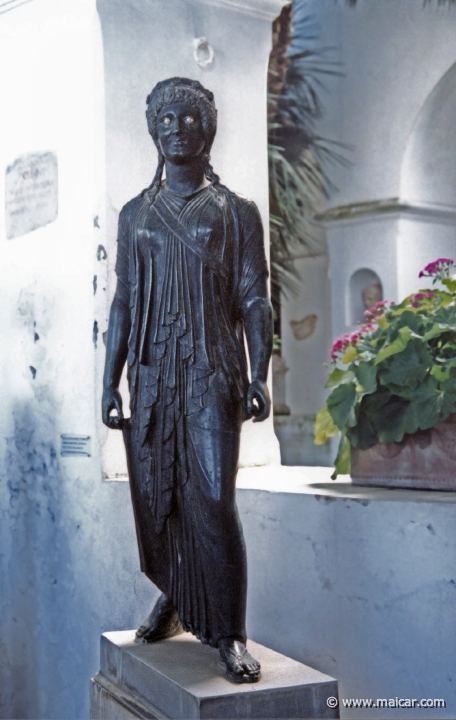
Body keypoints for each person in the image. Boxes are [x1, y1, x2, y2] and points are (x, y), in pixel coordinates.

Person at [102, 77, 273, 684]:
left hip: (211, 371)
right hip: (151, 373)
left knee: (215, 498)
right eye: (166, 119)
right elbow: (123, 303)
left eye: (189, 117)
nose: (177, 127)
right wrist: (109, 381)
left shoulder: (236, 213)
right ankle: (177, 598)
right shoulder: (134, 214)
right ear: (154, 130)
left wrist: (260, 371)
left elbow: (255, 298)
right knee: (161, 496)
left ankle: (228, 630)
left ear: (209, 128)